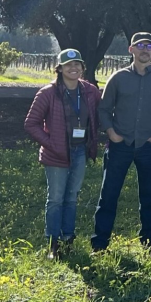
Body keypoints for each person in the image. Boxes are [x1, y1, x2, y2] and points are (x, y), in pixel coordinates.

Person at [92, 32, 151, 254]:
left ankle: (150, 243)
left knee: (150, 196)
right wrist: (111, 132)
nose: (144, 50)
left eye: (149, 46)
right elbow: (104, 109)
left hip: (149, 147)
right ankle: (100, 244)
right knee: (109, 195)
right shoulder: (118, 78)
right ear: (131, 49)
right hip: (120, 145)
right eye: (139, 45)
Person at [24, 49, 101, 259]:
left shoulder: (89, 91)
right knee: (56, 199)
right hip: (56, 154)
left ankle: (68, 238)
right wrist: (51, 144)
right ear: (60, 68)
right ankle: (53, 243)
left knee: (72, 198)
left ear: (83, 67)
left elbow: (102, 111)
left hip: (79, 152)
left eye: (77, 64)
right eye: (68, 65)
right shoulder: (48, 92)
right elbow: (31, 123)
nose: (73, 68)